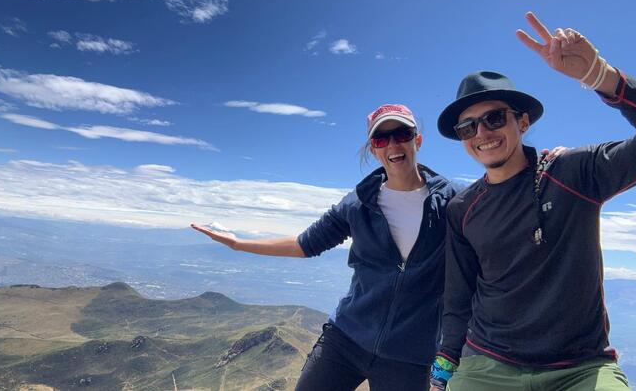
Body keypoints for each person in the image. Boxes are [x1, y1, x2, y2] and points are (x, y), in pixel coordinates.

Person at [428, 12, 636, 391]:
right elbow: (458, 297)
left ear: (522, 122)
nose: (482, 133)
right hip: (488, 365)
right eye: (468, 126)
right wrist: (442, 372)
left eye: (494, 118)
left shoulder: (572, 173)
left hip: (581, 369)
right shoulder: (462, 208)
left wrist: (600, 75)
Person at [193, 103, 457, 391]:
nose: (393, 144)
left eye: (402, 134)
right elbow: (304, 244)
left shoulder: (453, 204)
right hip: (346, 339)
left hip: (409, 355)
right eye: (381, 139)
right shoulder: (358, 203)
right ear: (373, 150)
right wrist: (237, 244)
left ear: (417, 139)